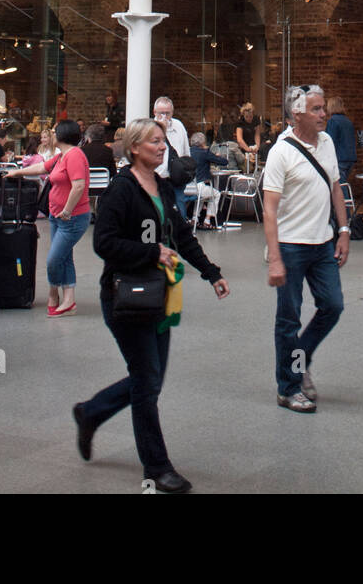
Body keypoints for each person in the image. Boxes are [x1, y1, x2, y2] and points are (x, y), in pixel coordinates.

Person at [72, 119, 229, 493]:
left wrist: (211, 272)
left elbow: (182, 235)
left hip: (160, 295)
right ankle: (156, 467)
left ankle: (91, 412)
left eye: (163, 141)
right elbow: (104, 244)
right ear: (136, 148)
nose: (163, 147)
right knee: (146, 381)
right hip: (125, 297)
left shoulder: (161, 186)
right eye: (155, 142)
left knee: (150, 378)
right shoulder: (121, 190)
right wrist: (150, 251)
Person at [262, 84, 349, 413]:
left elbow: (335, 187)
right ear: (296, 113)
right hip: (290, 246)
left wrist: (342, 230)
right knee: (288, 319)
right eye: (315, 109)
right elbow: (269, 209)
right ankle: (289, 386)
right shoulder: (280, 151)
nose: (323, 113)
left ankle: (300, 359)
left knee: (333, 305)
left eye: (323, 107)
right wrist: (275, 259)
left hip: (322, 242)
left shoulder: (326, 142)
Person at [10, 120, 90, 315]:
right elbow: (41, 168)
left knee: (54, 259)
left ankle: (53, 292)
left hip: (71, 218)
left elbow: (78, 185)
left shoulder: (74, 156)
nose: (51, 135)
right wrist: (18, 171)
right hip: (57, 215)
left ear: (62, 135)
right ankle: (69, 299)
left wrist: (68, 210)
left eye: (54, 132)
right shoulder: (61, 156)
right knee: (64, 256)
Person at [152, 97, 191, 219]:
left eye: (167, 113)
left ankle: (181, 234)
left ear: (172, 113)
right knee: (156, 206)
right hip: (157, 174)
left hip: (176, 174)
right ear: (154, 112)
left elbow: (185, 150)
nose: (164, 116)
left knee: (179, 204)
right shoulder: (150, 127)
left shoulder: (178, 126)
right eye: (160, 113)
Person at [189, 131, 227, 228]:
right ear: (202, 142)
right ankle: (207, 220)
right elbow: (223, 162)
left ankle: (194, 219)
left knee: (202, 196)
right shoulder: (204, 153)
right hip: (200, 186)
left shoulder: (187, 151)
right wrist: (217, 156)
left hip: (188, 188)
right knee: (216, 194)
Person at [325, 97, 357, 188]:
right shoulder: (348, 121)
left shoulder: (333, 121)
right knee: (342, 184)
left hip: (339, 158)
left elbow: (330, 142)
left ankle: (346, 202)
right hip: (350, 158)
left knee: (340, 187)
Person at [235, 103, 260, 169]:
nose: (249, 118)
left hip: (253, 147)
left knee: (256, 165)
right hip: (244, 147)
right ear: (243, 115)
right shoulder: (240, 122)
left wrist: (257, 147)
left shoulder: (256, 120)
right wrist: (248, 149)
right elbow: (239, 139)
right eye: (247, 117)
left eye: (251, 116)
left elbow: (257, 135)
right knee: (247, 167)